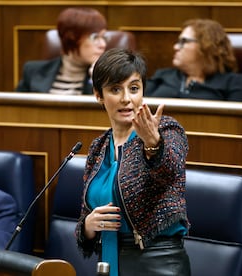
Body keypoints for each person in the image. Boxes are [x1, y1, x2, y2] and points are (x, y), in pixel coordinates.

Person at [75, 48, 191, 276]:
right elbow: (85, 214)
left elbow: (169, 171)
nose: (126, 98)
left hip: (157, 264)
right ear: (99, 95)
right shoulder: (99, 148)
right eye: (115, 89)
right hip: (108, 262)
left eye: (134, 88)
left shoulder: (166, 130)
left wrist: (153, 143)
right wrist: (88, 226)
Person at [145, 18, 242, 103]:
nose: (175, 47)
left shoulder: (234, 82)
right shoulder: (163, 76)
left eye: (183, 41)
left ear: (206, 46)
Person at [16, 7, 107, 94]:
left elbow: (102, 108)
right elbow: (15, 108)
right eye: (95, 37)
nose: (103, 44)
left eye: (103, 37)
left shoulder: (105, 77)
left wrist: (95, 79)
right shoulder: (33, 71)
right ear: (72, 37)